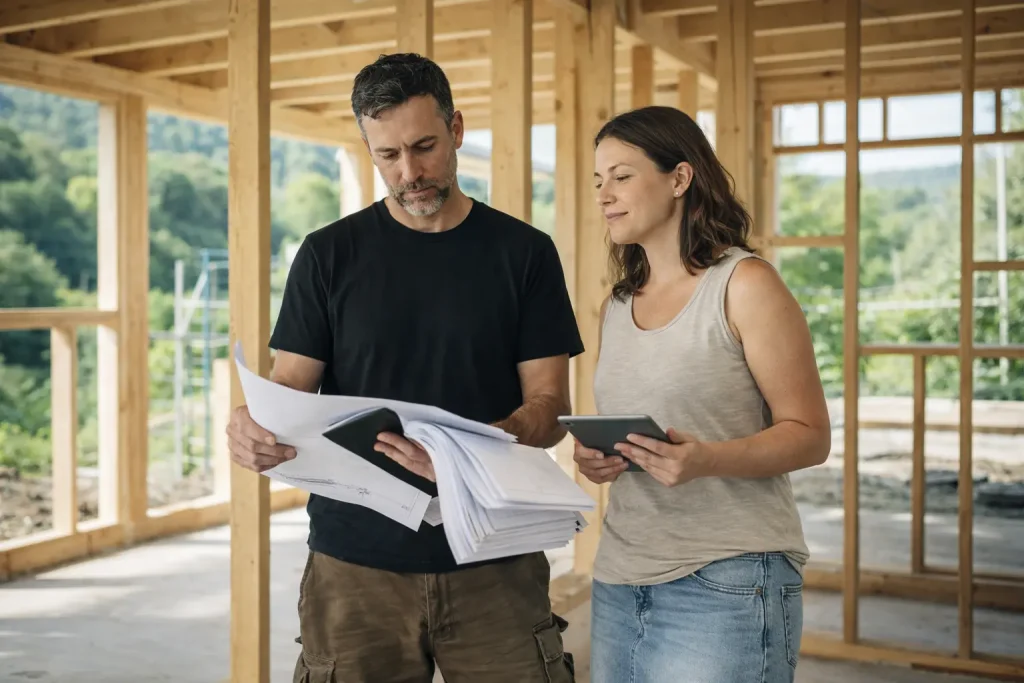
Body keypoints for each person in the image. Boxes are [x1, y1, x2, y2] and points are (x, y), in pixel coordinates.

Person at [225, 53, 583, 683]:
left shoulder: (525, 254)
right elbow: (289, 389)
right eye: (387, 155)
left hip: (493, 554)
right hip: (354, 564)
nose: (409, 172)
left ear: (458, 130)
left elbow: (550, 407)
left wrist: (464, 456)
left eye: (424, 147)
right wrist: (252, 424)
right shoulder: (327, 255)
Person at [574, 105, 832, 683]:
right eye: (598, 180)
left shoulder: (745, 285)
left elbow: (811, 436)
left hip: (729, 581)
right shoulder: (615, 307)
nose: (603, 194)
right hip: (620, 576)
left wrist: (706, 459)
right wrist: (599, 458)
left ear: (679, 179)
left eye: (621, 175)